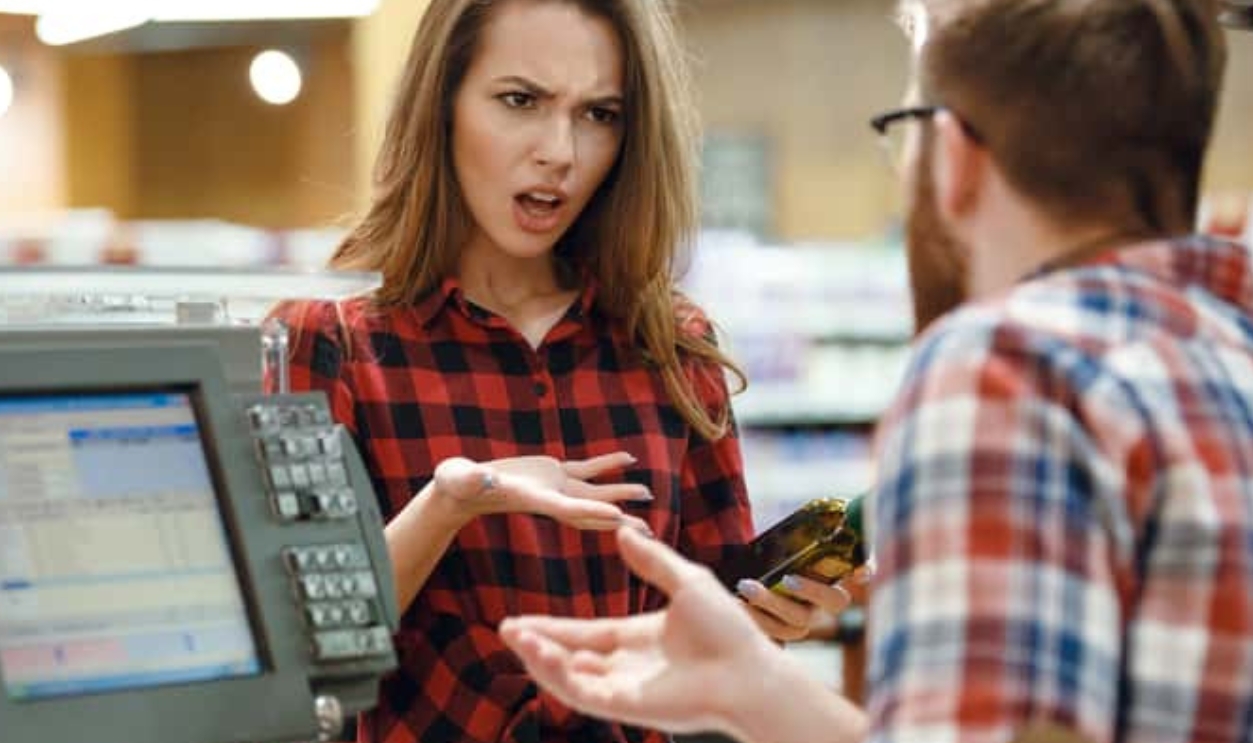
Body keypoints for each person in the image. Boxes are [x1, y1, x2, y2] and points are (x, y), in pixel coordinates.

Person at [500, 1, 1253, 743]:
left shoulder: (1010, 368)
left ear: (952, 157)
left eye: (904, 132)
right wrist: (753, 689)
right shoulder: (1223, 347)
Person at [274, 1, 843, 741]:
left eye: (599, 113)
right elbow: (302, 646)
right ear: (440, 106)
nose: (561, 151)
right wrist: (450, 503)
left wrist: (768, 617)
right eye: (520, 101)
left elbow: (705, 643)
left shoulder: (670, 347)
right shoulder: (329, 349)